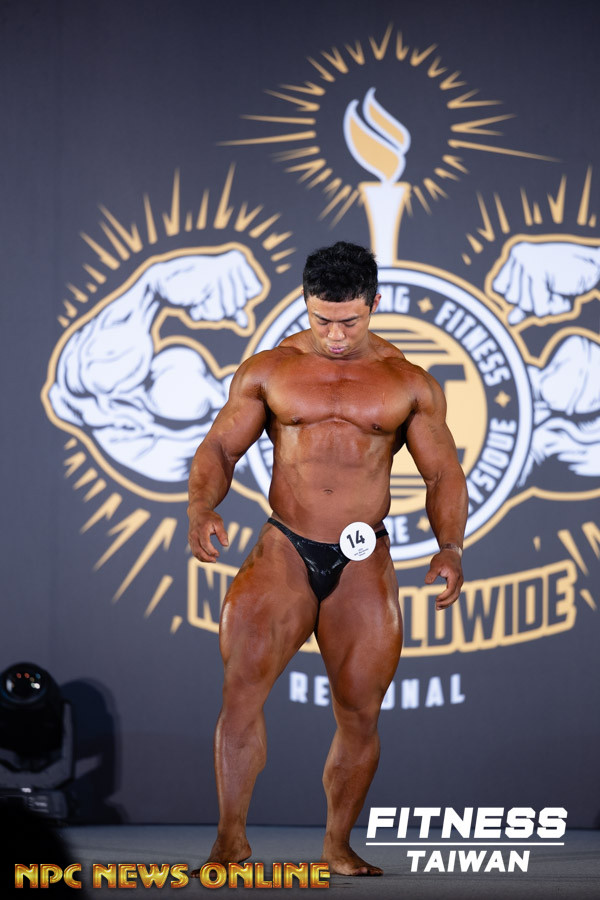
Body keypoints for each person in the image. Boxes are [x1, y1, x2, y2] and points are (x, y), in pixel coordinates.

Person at [187, 241, 468, 876]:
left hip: (361, 558)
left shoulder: (408, 383)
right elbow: (220, 449)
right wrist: (201, 507)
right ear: (305, 304)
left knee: (360, 714)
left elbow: (443, 474)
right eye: (322, 320)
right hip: (284, 548)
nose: (336, 335)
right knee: (240, 694)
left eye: (350, 321)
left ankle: (337, 846)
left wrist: (451, 546)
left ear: (375, 303)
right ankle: (230, 840)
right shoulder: (269, 371)